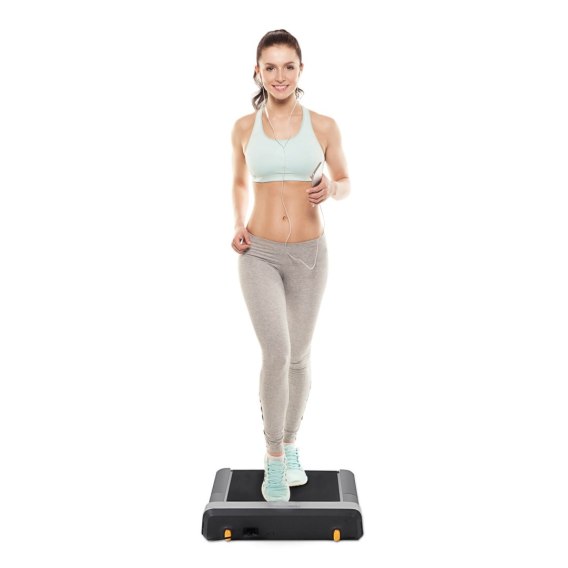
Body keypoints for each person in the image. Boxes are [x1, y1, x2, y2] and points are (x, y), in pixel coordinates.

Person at [231, 29, 351, 502]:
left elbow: (345, 180)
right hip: (258, 253)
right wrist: (236, 222)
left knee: (299, 355)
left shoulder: (324, 126)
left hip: (309, 255)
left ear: (301, 70)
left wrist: (332, 189)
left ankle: (292, 442)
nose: (279, 76)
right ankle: (275, 455)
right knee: (277, 352)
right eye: (270, 67)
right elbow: (239, 182)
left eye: (289, 66)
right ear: (257, 71)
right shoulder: (244, 128)